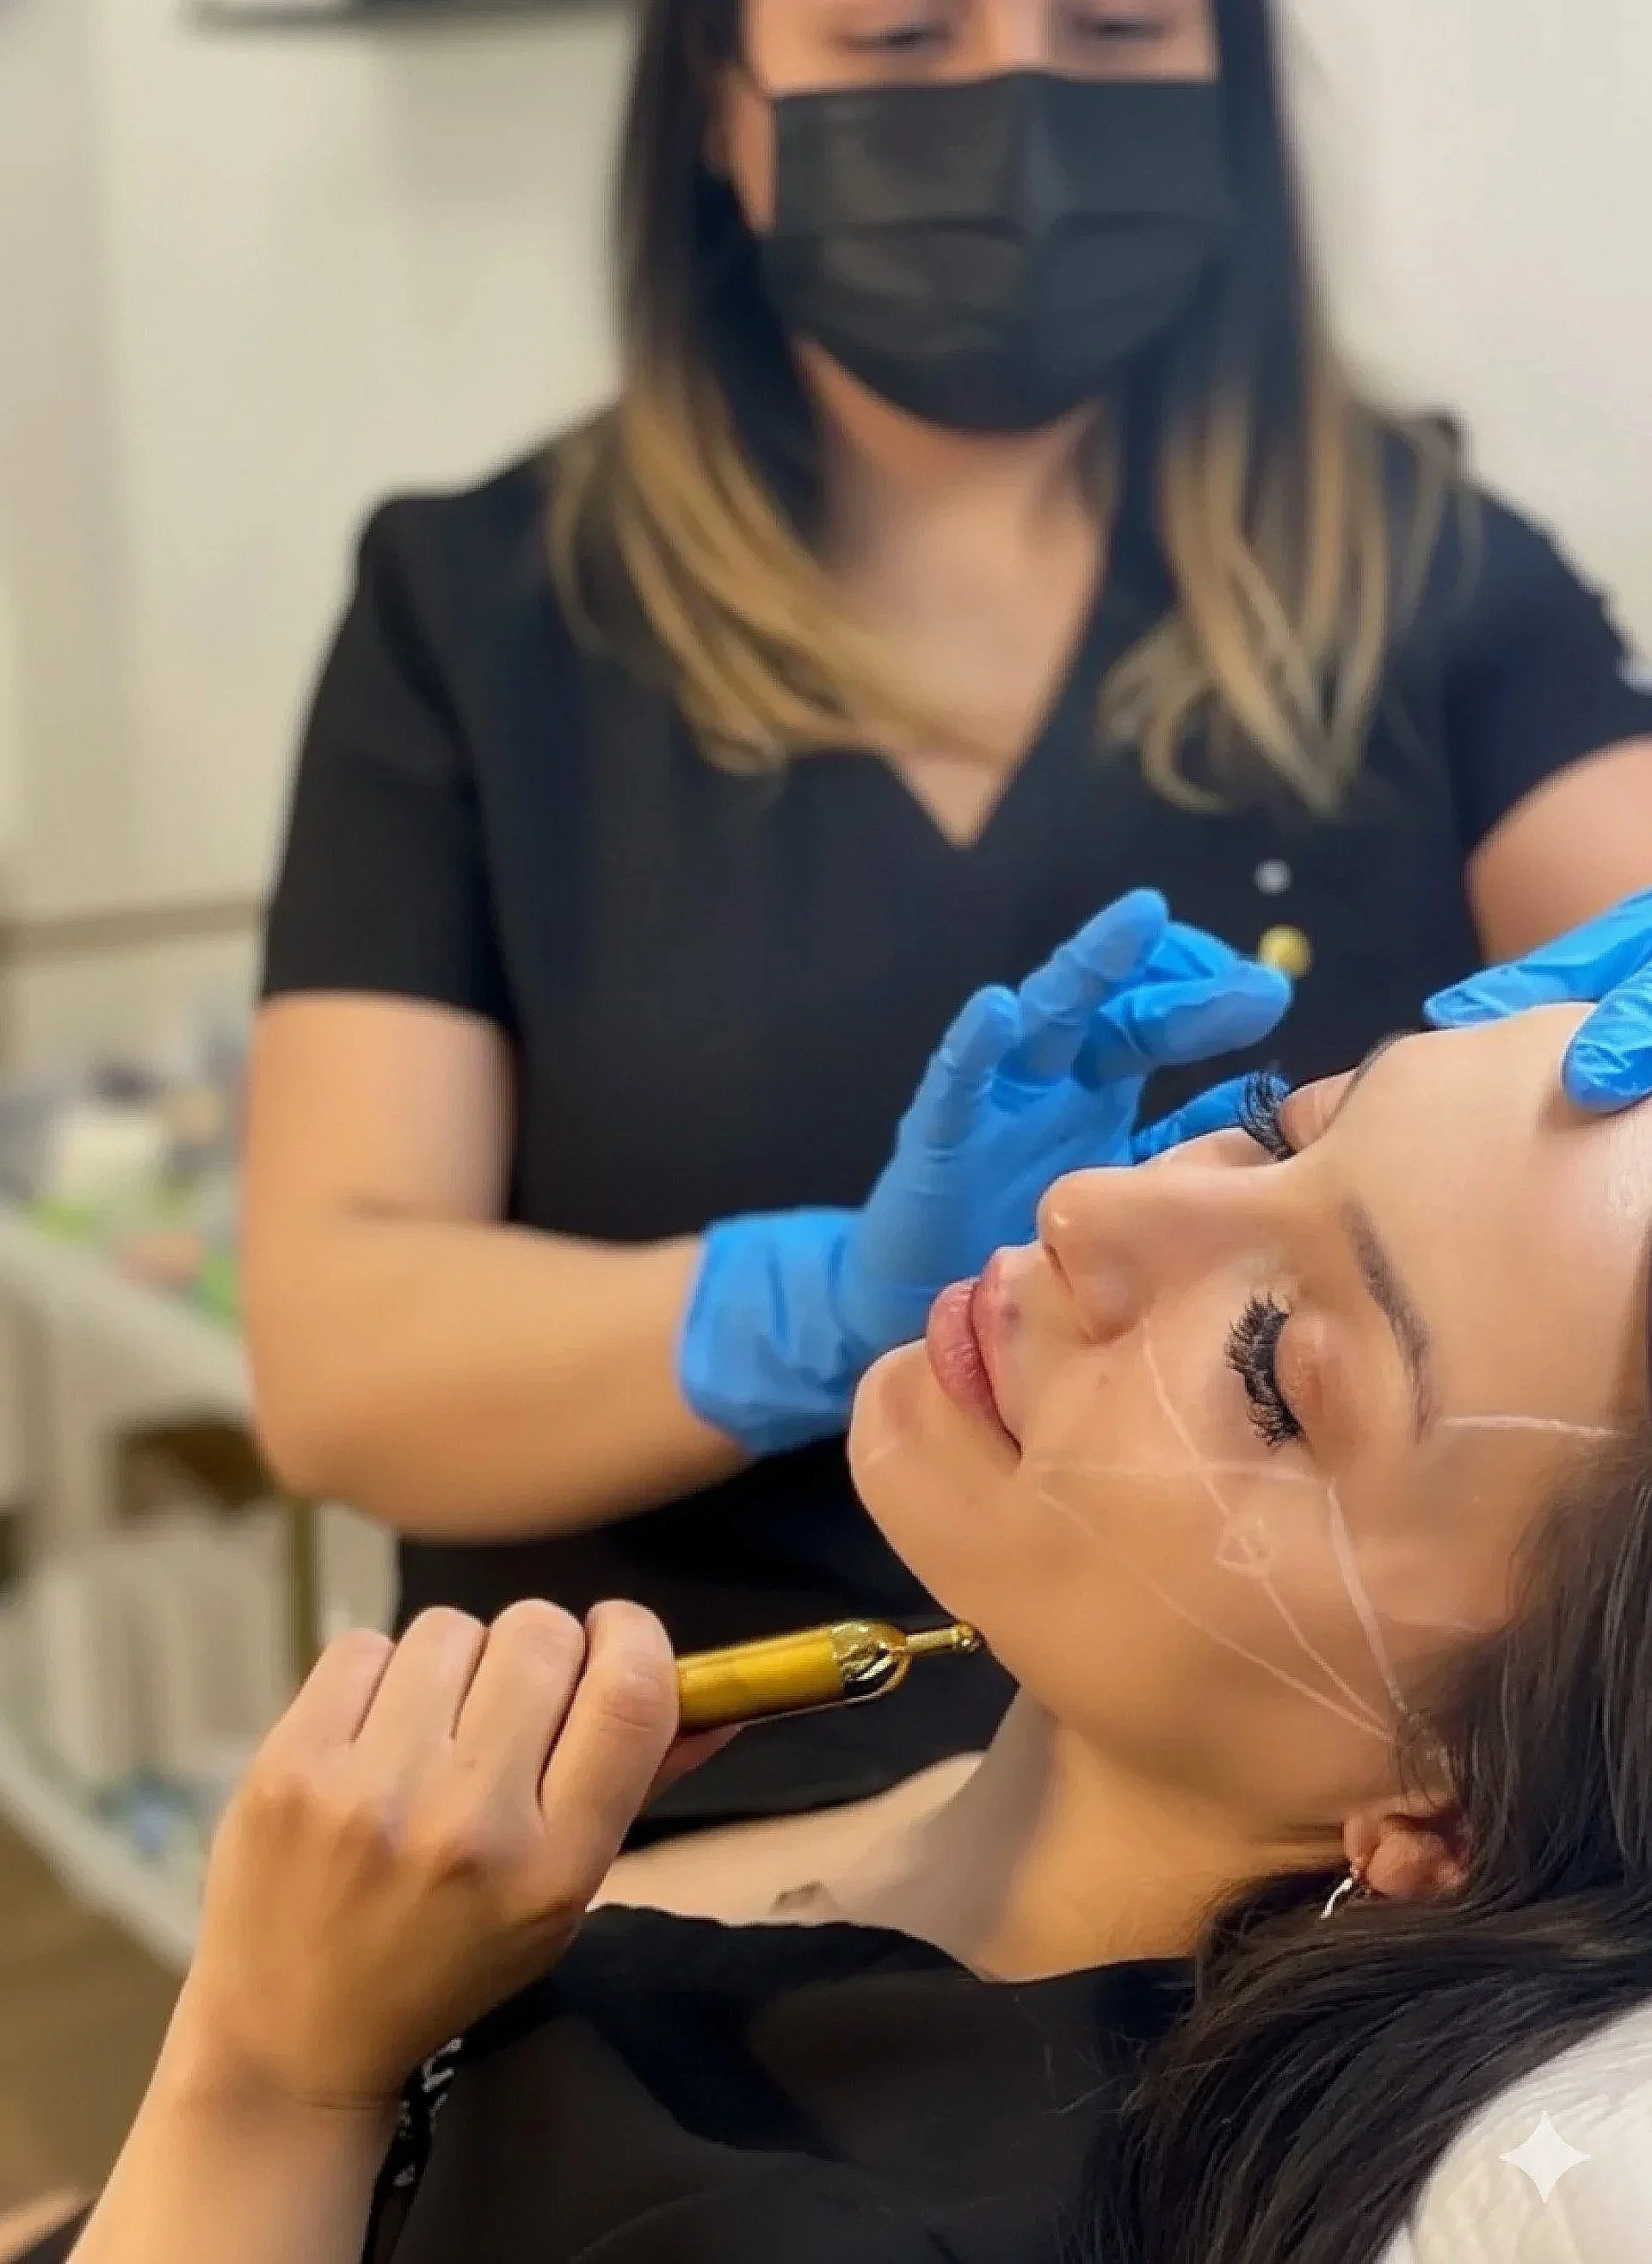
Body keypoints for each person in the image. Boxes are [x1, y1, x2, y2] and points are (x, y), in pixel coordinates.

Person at [245, 0, 1652, 1837]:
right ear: (722, 111)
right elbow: (339, 1361)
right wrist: (824, 1306)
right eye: (898, 35)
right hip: (655, 1809)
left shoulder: (1436, 581)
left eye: (1120, 25)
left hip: (1233, 1858)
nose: (1018, 111)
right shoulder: (479, 620)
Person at [38, 998, 1652, 2264]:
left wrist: (272, 2066)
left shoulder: (813, 2225)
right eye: (1269, 1126)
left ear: (1451, 1800)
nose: (1096, 1206)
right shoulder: (943, 1821)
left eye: (1275, 1359)